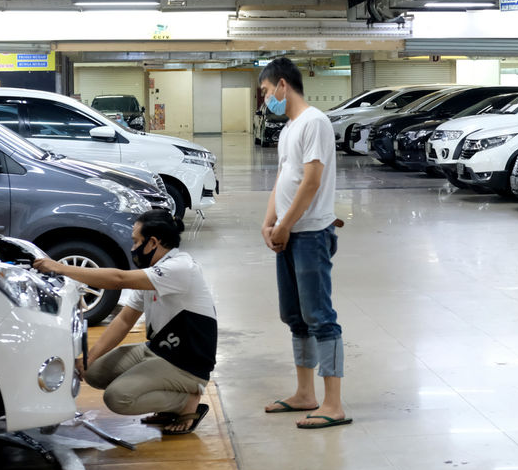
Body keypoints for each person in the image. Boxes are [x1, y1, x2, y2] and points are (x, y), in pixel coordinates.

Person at [33, 210, 218, 436]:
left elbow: (118, 279)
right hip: (158, 351)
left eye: (136, 242)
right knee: (93, 371)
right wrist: (90, 358)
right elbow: (124, 319)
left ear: (153, 243)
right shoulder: (153, 274)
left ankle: (185, 401)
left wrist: (59, 267)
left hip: (185, 363)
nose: (133, 248)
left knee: (117, 398)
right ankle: (167, 399)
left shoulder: (180, 268)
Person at [258, 57, 351, 429]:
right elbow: (283, 179)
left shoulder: (315, 122)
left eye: (265, 92)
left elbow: (311, 182)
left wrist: (286, 225)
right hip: (288, 233)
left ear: (283, 85)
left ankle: (333, 403)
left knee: (320, 318)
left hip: (310, 233)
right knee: (295, 317)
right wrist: (269, 223)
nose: (265, 101)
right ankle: (305, 393)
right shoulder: (289, 130)